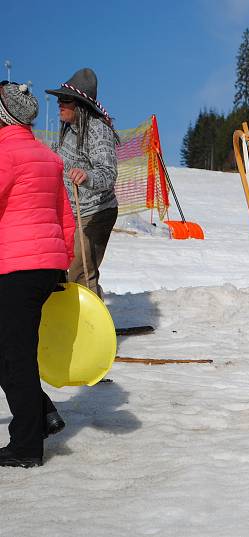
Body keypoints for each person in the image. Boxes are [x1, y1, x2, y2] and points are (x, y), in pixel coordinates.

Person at [0, 82, 75, 467]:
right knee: (10, 353)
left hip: (15, 269)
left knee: (16, 358)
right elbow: (65, 216)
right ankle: (42, 413)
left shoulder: (5, 153)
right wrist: (61, 262)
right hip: (44, 267)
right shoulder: (47, 157)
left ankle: (27, 446)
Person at [45, 68, 118, 299]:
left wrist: (87, 177)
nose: (60, 104)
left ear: (80, 105)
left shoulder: (97, 131)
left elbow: (108, 174)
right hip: (72, 212)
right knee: (64, 269)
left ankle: (93, 329)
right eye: (59, 99)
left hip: (95, 213)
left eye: (65, 100)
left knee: (81, 272)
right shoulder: (70, 130)